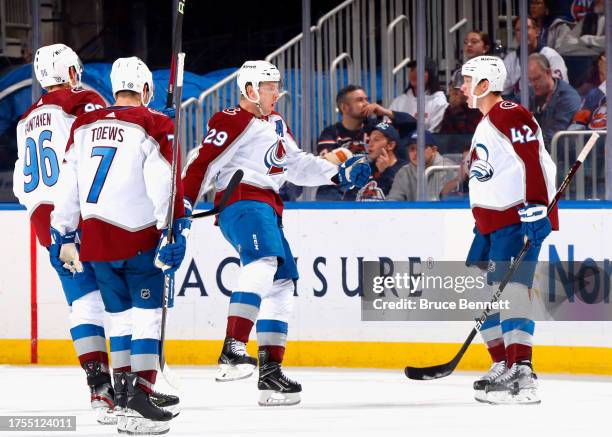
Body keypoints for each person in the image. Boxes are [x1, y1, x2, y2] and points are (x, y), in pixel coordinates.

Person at [181, 60, 370, 406]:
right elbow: (202, 163)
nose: (276, 93)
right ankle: (232, 349)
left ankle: (270, 375)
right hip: (243, 199)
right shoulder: (232, 119)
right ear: (251, 89)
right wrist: (182, 207)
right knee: (264, 260)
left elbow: (296, 164)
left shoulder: (276, 123)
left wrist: (336, 174)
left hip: (268, 205)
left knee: (282, 282)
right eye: (270, 87)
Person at [50, 56, 184, 434]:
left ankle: (123, 397)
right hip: (137, 236)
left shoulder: (85, 123)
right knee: (147, 317)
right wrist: (172, 227)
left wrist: (63, 231)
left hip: (95, 241)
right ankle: (140, 395)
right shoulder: (153, 123)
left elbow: (68, 183)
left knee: (119, 320)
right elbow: (163, 182)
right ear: (145, 91)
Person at [12, 44, 117, 424]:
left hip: (44, 219)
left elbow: (21, 187)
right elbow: (103, 145)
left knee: (84, 300)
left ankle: (98, 386)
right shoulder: (83, 99)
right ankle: (130, 380)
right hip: (79, 210)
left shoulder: (27, 118)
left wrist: (47, 219)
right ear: (72, 72)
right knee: (122, 291)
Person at [460, 55, 558, 404]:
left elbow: (531, 157)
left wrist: (535, 206)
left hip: (516, 218)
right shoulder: (487, 121)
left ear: (485, 84)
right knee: (477, 291)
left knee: (514, 289)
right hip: (490, 223)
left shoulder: (508, 111)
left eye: (468, 79)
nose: (462, 86)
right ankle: (502, 362)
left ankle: (522, 370)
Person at [503, 16, 568, 96]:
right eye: (518, 30)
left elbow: (560, 89)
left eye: (527, 28)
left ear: (537, 31)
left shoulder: (551, 56)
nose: (523, 33)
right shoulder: (511, 59)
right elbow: (502, 91)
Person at [527, 53, 581, 147]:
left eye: (536, 79)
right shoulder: (530, 93)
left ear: (548, 72)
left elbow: (554, 135)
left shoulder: (568, 97)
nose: (533, 84)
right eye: (530, 80)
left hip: (559, 155)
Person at [386, 130, 456, 201]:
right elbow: (393, 201)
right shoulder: (404, 172)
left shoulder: (448, 169)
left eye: (421, 148)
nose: (415, 153)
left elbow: (450, 203)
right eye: (412, 149)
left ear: (434, 150)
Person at [388, 58, 449, 132]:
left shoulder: (439, 102)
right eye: (412, 70)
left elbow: (434, 133)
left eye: (420, 70)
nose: (414, 73)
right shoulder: (399, 101)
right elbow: (385, 125)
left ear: (431, 75)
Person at [366, 122, 407, 195]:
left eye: (376, 140)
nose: (370, 145)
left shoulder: (405, 169)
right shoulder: (367, 169)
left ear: (390, 145)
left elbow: (404, 196)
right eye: (369, 140)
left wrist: (386, 172)